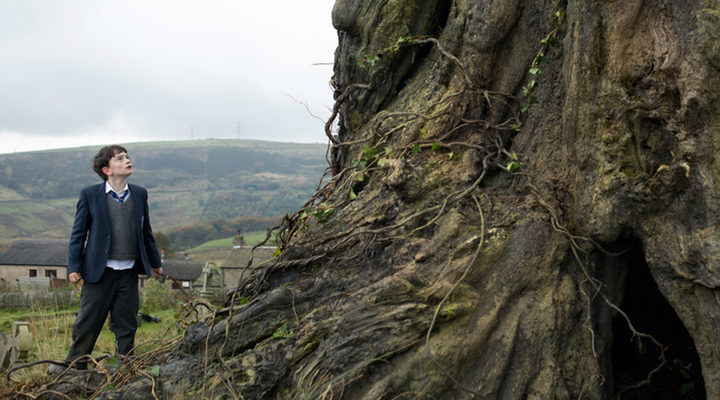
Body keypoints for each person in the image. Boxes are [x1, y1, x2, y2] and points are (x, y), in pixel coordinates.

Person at [51, 145, 162, 373]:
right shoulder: (90, 195)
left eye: (127, 157)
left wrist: (155, 262)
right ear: (107, 170)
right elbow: (78, 234)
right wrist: (74, 267)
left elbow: (146, 232)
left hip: (129, 271)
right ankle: (75, 365)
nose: (127, 160)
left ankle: (125, 364)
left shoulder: (140, 193)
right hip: (98, 272)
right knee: (88, 321)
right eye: (120, 159)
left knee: (126, 320)